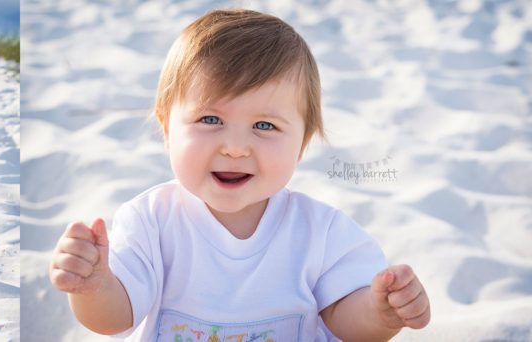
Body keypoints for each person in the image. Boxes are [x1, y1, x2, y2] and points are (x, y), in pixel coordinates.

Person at [49, 9, 430, 341]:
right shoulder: (150, 221)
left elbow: (347, 323)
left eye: (264, 125)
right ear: (167, 130)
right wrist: (94, 286)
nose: (235, 147)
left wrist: (380, 314)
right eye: (210, 119)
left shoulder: (322, 231)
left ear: (301, 143)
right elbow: (115, 318)